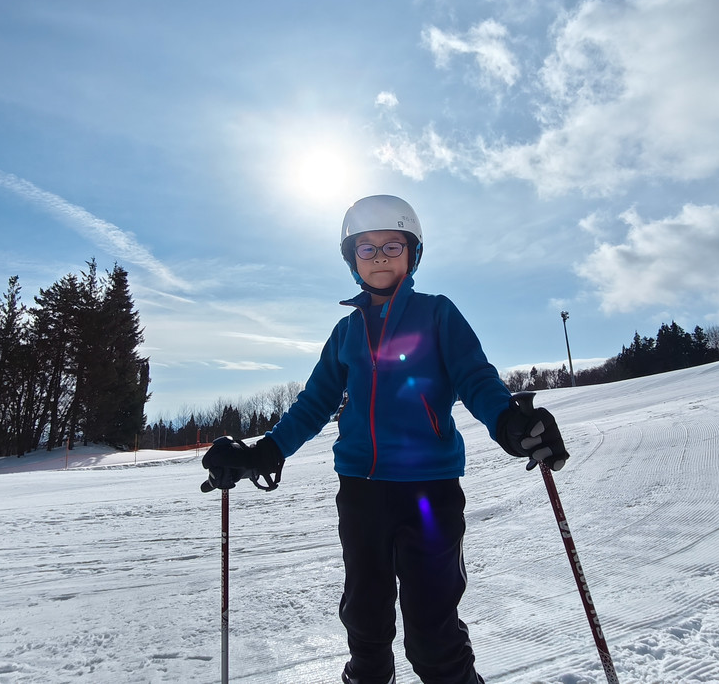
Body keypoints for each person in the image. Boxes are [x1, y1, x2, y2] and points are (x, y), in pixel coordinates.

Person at [201, 194, 568, 684]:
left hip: (430, 491)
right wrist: (264, 451)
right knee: (365, 618)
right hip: (361, 491)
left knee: (433, 628)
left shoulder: (438, 314)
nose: (379, 257)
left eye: (392, 245)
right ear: (351, 259)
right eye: (366, 248)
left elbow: (474, 378)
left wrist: (510, 423)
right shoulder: (345, 332)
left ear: (412, 253)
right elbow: (313, 403)